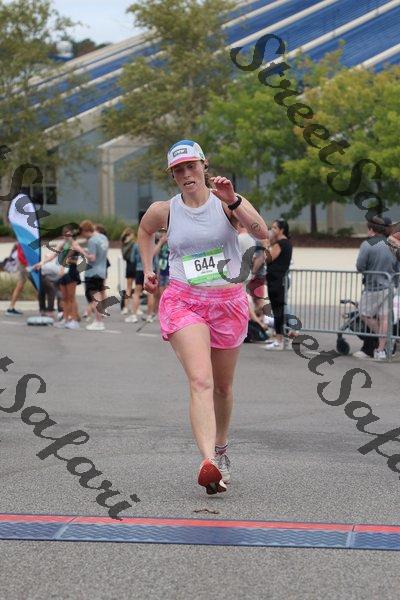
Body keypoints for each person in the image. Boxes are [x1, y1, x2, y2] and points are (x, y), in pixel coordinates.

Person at [138, 140, 269, 494]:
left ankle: (221, 447)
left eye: (191, 166)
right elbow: (145, 231)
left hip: (227, 302)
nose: (186, 174)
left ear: (204, 165)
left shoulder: (225, 203)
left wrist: (234, 200)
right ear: (172, 175)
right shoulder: (164, 210)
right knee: (200, 380)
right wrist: (148, 269)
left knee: (223, 387)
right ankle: (208, 461)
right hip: (184, 300)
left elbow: (262, 232)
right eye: (178, 169)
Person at [355, 216, 399, 361]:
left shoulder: (367, 244)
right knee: (384, 318)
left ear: (371, 229)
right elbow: (396, 265)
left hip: (373, 287)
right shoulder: (391, 244)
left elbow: (360, 266)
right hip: (389, 285)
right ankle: (381, 350)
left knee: (364, 314)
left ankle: (385, 340)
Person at [34, 225, 81, 329]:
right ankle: (65, 319)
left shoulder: (74, 244)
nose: (65, 236)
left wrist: (63, 268)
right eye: (64, 234)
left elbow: (69, 258)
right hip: (62, 272)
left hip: (71, 271)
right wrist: (41, 263)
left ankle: (74, 320)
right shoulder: (63, 243)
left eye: (68, 233)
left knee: (71, 297)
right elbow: (52, 256)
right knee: (65, 298)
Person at [72, 220, 109, 332]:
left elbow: (92, 258)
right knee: (98, 296)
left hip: (93, 272)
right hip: (102, 270)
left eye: (82, 233)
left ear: (85, 231)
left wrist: (80, 249)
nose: (83, 236)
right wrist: (86, 250)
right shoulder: (103, 238)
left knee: (94, 297)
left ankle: (98, 321)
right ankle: (99, 320)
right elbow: (99, 253)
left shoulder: (92, 240)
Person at [263, 218, 293, 350]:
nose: (272, 230)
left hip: (276, 280)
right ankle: (281, 338)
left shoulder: (281, 243)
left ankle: (279, 339)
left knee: (277, 310)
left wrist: (266, 245)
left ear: (282, 230)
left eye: (275, 228)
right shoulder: (286, 243)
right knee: (278, 309)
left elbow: (268, 258)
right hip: (278, 279)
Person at [5, 243, 31, 316]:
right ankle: (11, 308)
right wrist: (28, 264)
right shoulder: (24, 239)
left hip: (23, 262)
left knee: (20, 285)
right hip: (24, 263)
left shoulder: (23, 238)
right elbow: (22, 252)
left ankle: (11, 308)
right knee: (21, 285)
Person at [120, 227, 136, 315]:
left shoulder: (124, 243)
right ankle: (130, 308)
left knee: (130, 288)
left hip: (130, 266)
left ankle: (127, 307)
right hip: (133, 265)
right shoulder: (131, 243)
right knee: (134, 288)